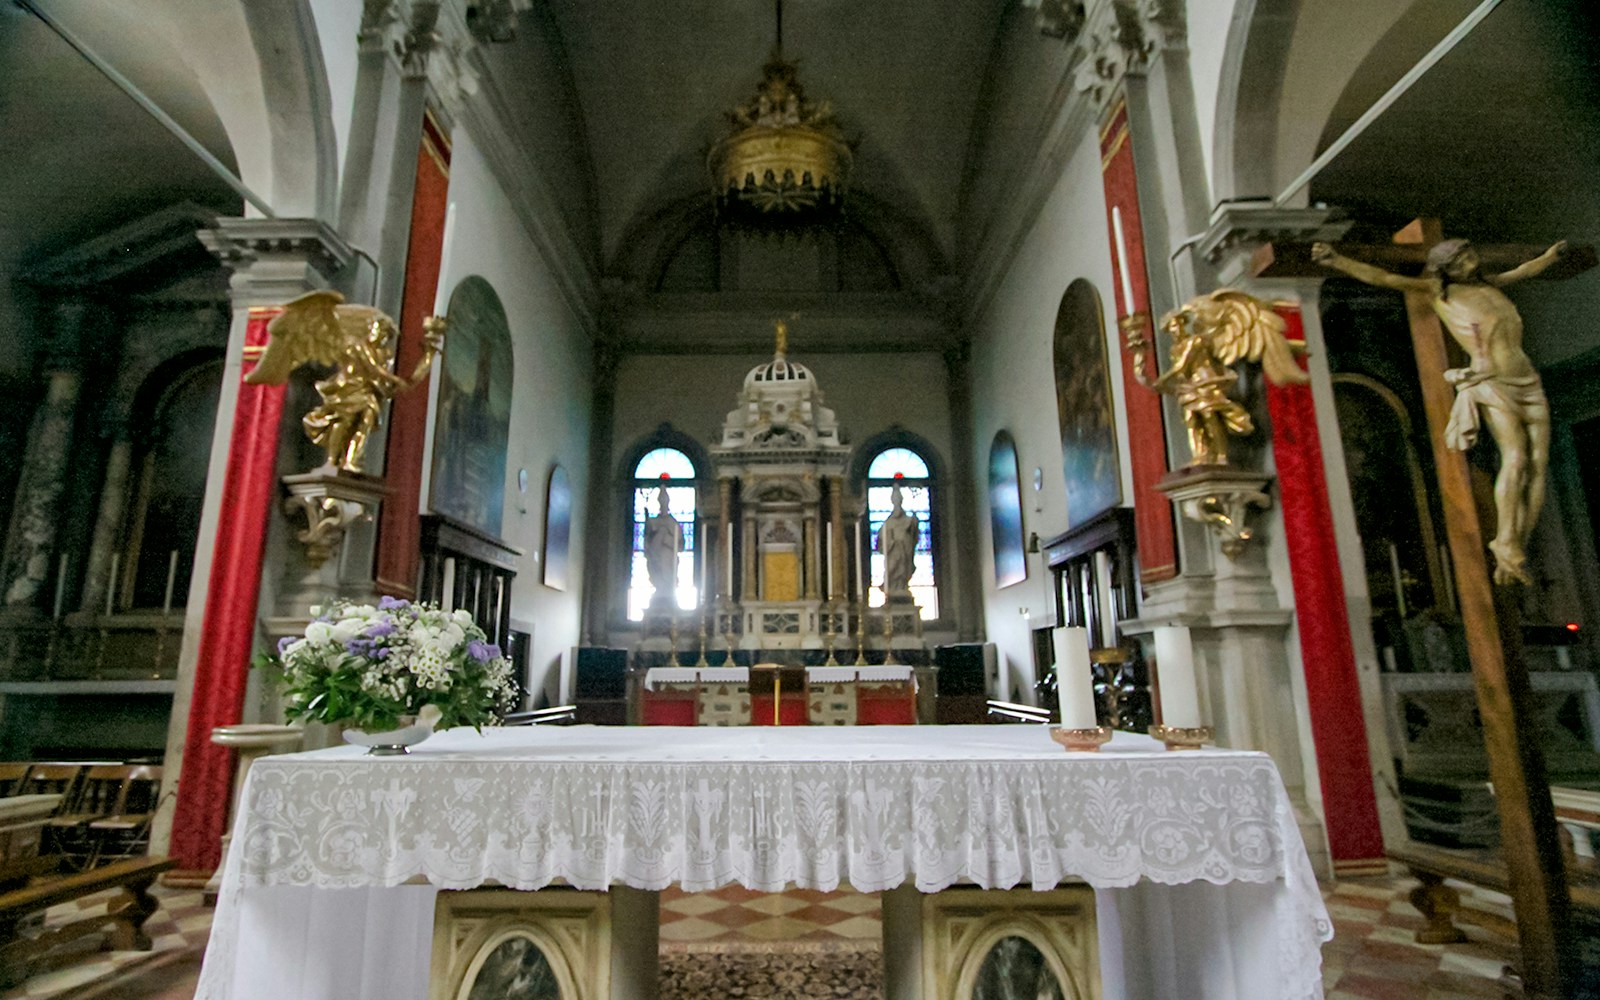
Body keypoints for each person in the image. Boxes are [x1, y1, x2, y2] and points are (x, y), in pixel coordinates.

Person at [1312, 238, 1566, 585]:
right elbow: (1385, 279)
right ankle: (1505, 540)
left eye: (1469, 255)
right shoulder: (1438, 292)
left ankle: (1515, 542)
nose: (1468, 263)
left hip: (1527, 380)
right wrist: (1337, 260)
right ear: (1445, 269)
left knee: (1538, 463)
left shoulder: (1491, 284)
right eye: (1459, 261)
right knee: (1517, 457)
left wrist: (1549, 257)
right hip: (1491, 380)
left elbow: (1522, 270)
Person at [642, 486, 683, 608]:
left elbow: (680, 545)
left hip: (667, 556)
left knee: (667, 574)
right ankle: (660, 591)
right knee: (657, 574)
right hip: (655, 556)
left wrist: (665, 538)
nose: (663, 503)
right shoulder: (653, 521)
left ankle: (668, 593)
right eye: (661, 501)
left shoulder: (673, 522)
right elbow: (647, 540)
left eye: (665, 501)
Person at [876, 485, 919, 600]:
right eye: (895, 499)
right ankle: (893, 587)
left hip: (905, 550)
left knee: (903, 570)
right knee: (893, 568)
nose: (897, 501)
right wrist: (892, 542)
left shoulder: (908, 520)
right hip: (894, 551)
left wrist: (914, 526)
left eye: (899, 499)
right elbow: (881, 543)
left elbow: (914, 537)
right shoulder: (888, 523)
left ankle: (902, 587)